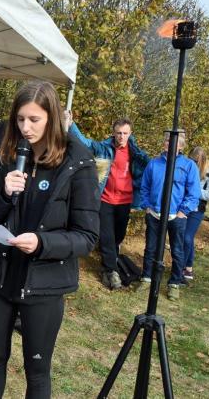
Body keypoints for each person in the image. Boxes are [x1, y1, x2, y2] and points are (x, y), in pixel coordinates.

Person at [0, 81, 100, 399]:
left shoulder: (78, 162)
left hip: (43, 285)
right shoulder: (8, 154)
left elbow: (87, 236)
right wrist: (4, 193)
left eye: (34, 120)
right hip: (0, 278)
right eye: (20, 119)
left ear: (53, 118)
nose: (25, 128)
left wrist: (43, 243)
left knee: (37, 370)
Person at [66, 114, 149, 290]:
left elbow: (150, 170)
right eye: (118, 133)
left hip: (125, 201)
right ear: (113, 133)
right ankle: (111, 271)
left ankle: (110, 261)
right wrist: (71, 124)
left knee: (118, 236)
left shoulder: (136, 153)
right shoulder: (104, 148)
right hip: (105, 198)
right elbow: (85, 143)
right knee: (107, 235)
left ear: (130, 133)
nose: (121, 137)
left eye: (125, 133)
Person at [138, 131, 200, 301]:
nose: (169, 144)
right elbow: (145, 187)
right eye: (166, 140)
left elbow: (194, 193)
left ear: (181, 146)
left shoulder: (188, 166)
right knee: (150, 248)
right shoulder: (154, 164)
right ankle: (146, 278)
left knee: (177, 250)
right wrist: (147, 207)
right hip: (155, 214)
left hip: (176, 217)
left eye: (173, 142)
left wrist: (182, 212)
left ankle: (174, 283)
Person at [182, 147, 209, 281]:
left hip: (197, 209)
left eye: (195, 161)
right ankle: (188, 268)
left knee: (186, 237)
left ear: (202, 160)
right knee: (186, 237)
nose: (192, 162)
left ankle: (181, 266)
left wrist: (194, 190)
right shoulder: (188, 166)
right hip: (184, 206)